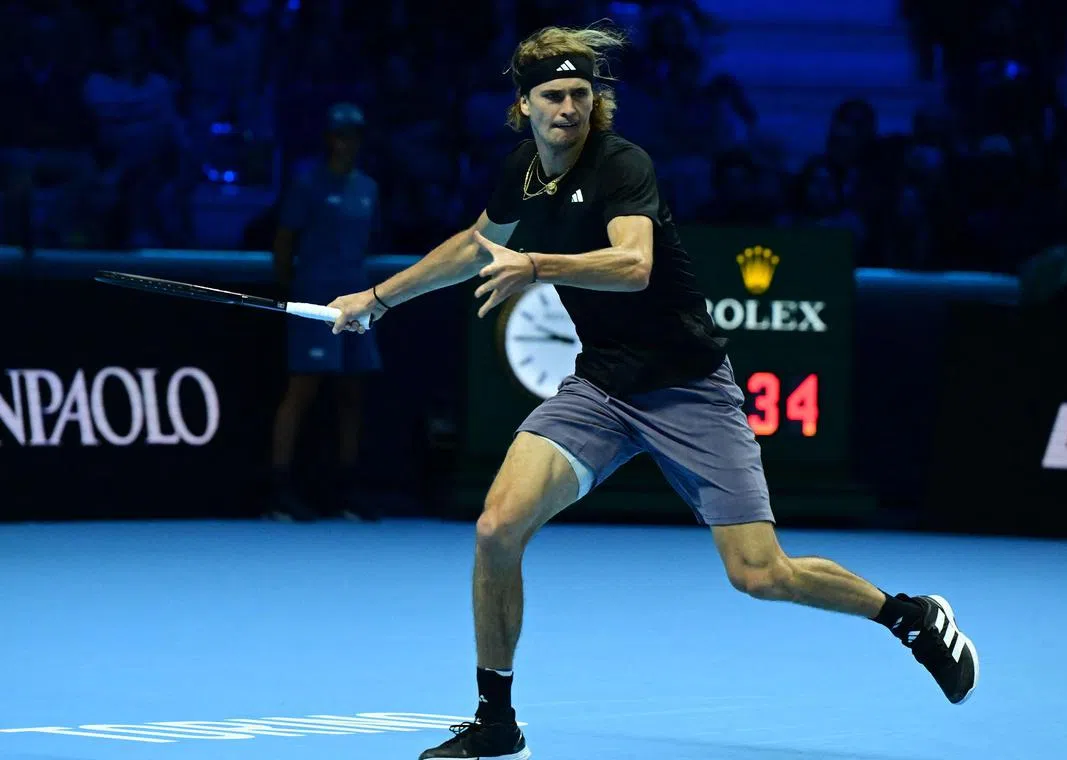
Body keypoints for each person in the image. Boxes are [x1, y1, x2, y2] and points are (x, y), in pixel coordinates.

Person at [327, 25, 979, 760]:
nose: (569, 108)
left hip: (688, 390)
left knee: (760, 574)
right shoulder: (523, 172)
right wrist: (378, 297)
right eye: (553, 96)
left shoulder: (622, 164)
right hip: (602, 386)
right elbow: (476, 243)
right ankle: (497, 719)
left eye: (580, 94)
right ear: (524, 105)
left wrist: (536, 263)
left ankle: (909, 616)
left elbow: (634, 264)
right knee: (495, 528)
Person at [269, 102, 384, 522]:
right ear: (329, 138)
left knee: (353, 394)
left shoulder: (368, 188)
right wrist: (295, 291)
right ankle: (280, 491)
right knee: (302, 391)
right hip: (313, 302)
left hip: (359, 300)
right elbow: (284, 243)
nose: (347, 143)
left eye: (354, 135)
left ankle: (346, 492)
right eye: (341, 135)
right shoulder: (307, 185)